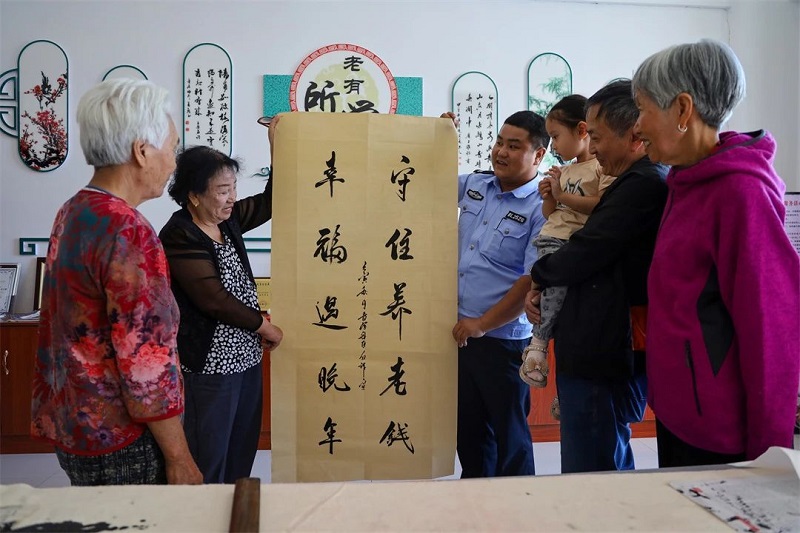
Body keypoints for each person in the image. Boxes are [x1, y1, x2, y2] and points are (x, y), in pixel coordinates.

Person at [632, 39, 800, 466]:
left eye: (642, 109)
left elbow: (772, 330)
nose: (637, 126)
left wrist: (770, 455)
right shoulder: (684, 181)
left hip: (718, 433)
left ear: (682, 109)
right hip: (680, 411)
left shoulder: (741, 193)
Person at [30, 78, 203, 486]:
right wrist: (179, 458)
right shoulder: (129, 231)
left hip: (75, 422)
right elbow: (146, 363)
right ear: (142, 152)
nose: (173, 163)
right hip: (122, 436)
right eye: (172, 148)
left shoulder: (74, 209)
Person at [524, 80, 668, 474]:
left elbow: (587, 249)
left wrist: (539, 275)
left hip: (604, 351)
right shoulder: (630, 181)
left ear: (633, 134)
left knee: (593, 466)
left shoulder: (642, 184)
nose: (594, 147)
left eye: (599, 137)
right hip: (596, 344)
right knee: (601, 455)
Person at [159, 128, 283, 483]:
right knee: (209, 454)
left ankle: (233, 507)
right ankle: (204, 511)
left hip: (246, 358)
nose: (233, 198)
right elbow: (213, 299)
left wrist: (276, 148)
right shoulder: (180, 233)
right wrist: (265, 326)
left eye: (234, 188)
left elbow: (272, 201)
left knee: (241, 449)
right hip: (211, 365)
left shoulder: (228, 221)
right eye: (223, 190)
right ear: (194, 195)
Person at [449, 110, 549, 478]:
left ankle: (518, 502)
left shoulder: (541, 207)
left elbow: (530, 279)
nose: (501, 152)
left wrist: (482, 324)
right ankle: (476, 500)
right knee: (470, 433)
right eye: (499, 142)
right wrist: (439, 139)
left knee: (510, 437)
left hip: (503, 342)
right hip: (460, 335)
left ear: (538, 155)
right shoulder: (476, 185)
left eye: (514, 146)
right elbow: (425, 181)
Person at [519, 95, 615, 396]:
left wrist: (562, 195)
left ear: (582, 130)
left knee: (561, 303)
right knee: (550, 296)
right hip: (551, 239)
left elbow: (601, 206)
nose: (553, 146)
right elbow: (551, 213)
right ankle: (540, 348)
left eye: (556, 136)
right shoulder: (567, 170)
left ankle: (541, 351)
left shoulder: (600, 167)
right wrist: (550, 196)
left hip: (572, 246)